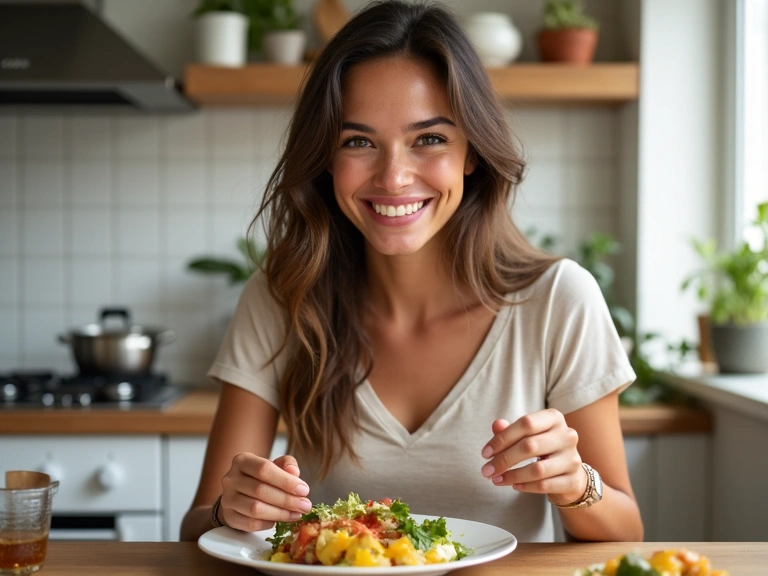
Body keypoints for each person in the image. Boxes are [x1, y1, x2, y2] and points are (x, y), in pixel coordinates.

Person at [180, 0, 643, 543]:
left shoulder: (561, 299)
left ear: (472, 151)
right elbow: (197, 527)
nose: (394, 177)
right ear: (326, 158)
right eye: (358, 142)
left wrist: (575, 485)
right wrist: (228, 511)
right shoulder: (283, 297)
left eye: (429, 139)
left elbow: (627, 532)